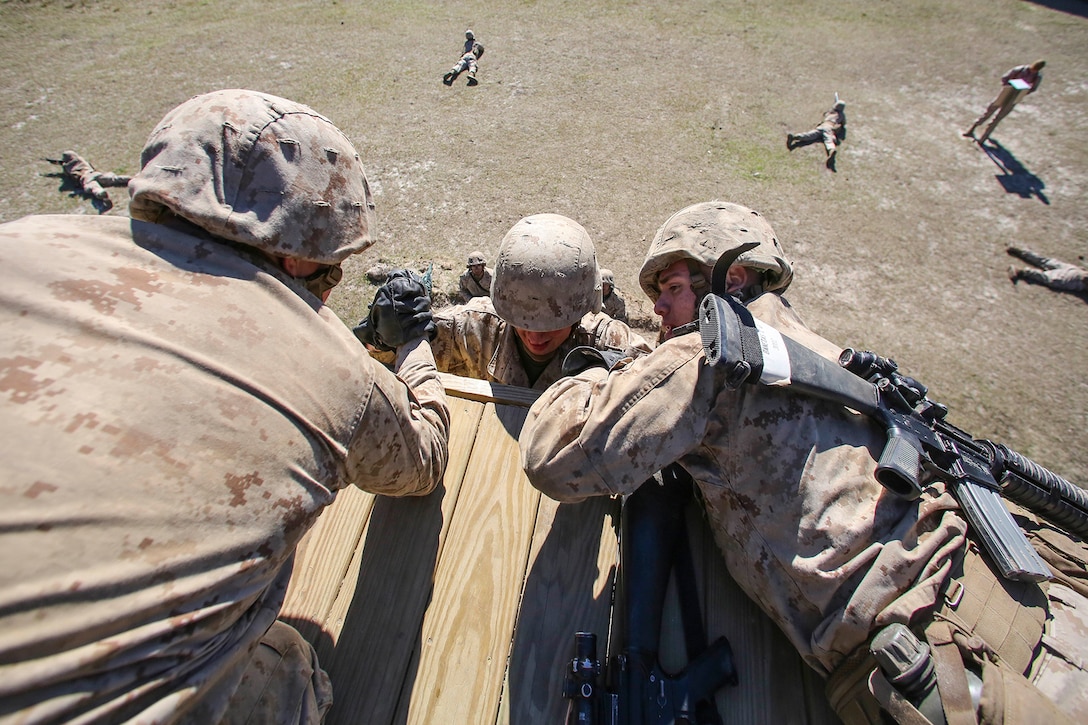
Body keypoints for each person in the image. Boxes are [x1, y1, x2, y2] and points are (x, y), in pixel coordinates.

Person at [519, 200, 1088, 724]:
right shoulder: (831, 358)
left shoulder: (713, 354)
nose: (659, 309)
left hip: (952, 668)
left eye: (670, 287)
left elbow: (553, 456)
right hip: (1027, 610)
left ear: (731, 279)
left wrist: (602, 367)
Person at [0, 89, 450, 724]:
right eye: (333, 268)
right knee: (289, 663)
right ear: (297, 256)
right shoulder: (334, 365)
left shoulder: (21, 241)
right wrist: (410, 351)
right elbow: (423, 457)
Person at [422, 213, 652, 389]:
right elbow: (411, 343)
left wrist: (626, 377)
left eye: (552, 323)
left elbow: (668, 381)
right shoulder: (477, 328)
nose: (535, 336)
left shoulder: (609, 344)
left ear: (582, 310)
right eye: (523, 319)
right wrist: (393, 330)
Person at [964, 60, 1045, 144]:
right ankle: (972, 130)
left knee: (999, 117)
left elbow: (1033, 88)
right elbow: (1005, 78)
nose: (1033, 71)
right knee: (989, 112)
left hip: (1016, 95)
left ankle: (984, 137)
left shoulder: (1037, 76)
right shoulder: (1020, 69)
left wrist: (1024, 91)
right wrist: (1010, 84)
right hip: (1008, 91)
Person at [787, 94, 846, 169]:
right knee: (829, 141)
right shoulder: (841, 115)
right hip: (829, 128)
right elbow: (843, 123)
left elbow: (825, 114)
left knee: (810, 135)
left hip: (822, 126)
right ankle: (832, 151)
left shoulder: (830, 111)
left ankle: (796, 136)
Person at [1007, 245, 1086, 294]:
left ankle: (1022, 253)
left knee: (1046, 262)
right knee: (1049, 278)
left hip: (1076, 271)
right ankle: (1022, 272)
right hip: (1078, 279)